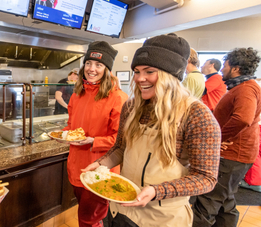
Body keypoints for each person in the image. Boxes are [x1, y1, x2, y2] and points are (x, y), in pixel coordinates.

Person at [83, 34, 221, 227]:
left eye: (149, 71)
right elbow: (121, 148)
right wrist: (101, 164)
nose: (140, 79)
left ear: (170, 75)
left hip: (162, 217)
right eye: (137, 71)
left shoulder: (197, 116)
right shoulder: (131, 107)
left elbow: (205, 178)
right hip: (122, 208)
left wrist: (157, 191)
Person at [192, 47, 261, 227]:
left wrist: (217, 140)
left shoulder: (246, 89)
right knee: (225, 203)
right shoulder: (244, 86)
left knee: (207, 203)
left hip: (232, 155)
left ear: (236, 68)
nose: (222, 69)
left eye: (226, 66)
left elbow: (243, 118)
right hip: (237, 154)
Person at [64, 41, 128, 227]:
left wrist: (94, 141)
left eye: (99, 65)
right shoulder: (77, 94)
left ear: (107, 69)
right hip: (76, 166)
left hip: (101, 169)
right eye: (89, 63)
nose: (92, 69)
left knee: (89, 220)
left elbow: (122, 139)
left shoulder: (118, 97)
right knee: (86, 217)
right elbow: (71, 126)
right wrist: (65, 134)